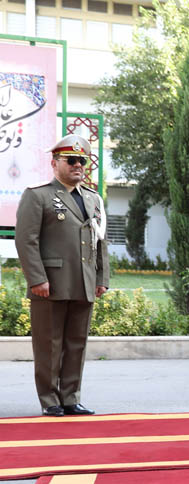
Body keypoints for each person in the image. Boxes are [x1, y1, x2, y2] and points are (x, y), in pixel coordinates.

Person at [14, 134, 109, 417]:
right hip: (50, 283)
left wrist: (102, 278)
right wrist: (36, 279)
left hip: (84, 282)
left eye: (82, 161)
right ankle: (50, 399)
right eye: (71, 160)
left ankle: (71, 398)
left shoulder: (92, 198)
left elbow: (100, 241)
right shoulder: (38, 195)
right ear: (55, 163)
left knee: (76, 344)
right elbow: (26, 241)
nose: (78, 165)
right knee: (49, 344)